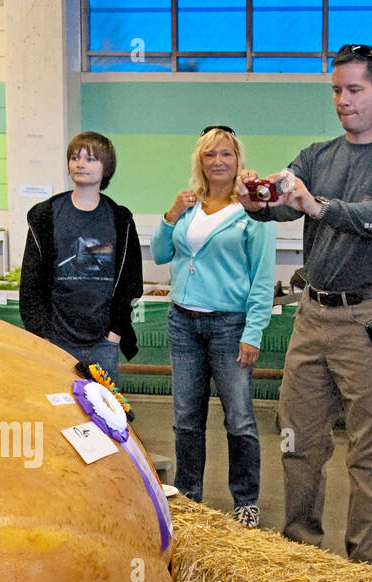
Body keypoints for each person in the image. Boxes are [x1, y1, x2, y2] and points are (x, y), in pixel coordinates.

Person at [240, 44, 372, 565]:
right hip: (312, 315)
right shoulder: (317, 156)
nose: (342, 101)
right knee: (298, 441)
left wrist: (313, 203)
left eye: (354, 90)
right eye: (336, 91)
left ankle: (363, 567)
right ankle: (303, 558)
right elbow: (277, 206)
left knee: (370, 453)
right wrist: (257, 199)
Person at [150, 125, 276, 527]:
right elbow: (159, 253)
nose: (218, 162)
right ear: (199, 163)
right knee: (186, 417)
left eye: (225, 154)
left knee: (239, 419)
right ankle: (189, 495)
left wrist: (252, 332)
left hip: (229, 325)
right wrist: (170, 216)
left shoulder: (253, 212)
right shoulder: (187, 206)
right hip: (182, 322)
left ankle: (246, 500)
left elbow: (261, 278)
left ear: (238, 160)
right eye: (210, 155)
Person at [20, 132, 143, 384]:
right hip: (55, 342)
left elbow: (131, 281)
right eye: (75, 157)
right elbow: (30, 282)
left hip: (103, 344)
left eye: (90, 159)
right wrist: (41, 335)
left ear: (106, 167)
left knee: (103, 417)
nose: (80, 164)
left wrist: (114, 335)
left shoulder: (121, 220)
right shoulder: (45, 216)